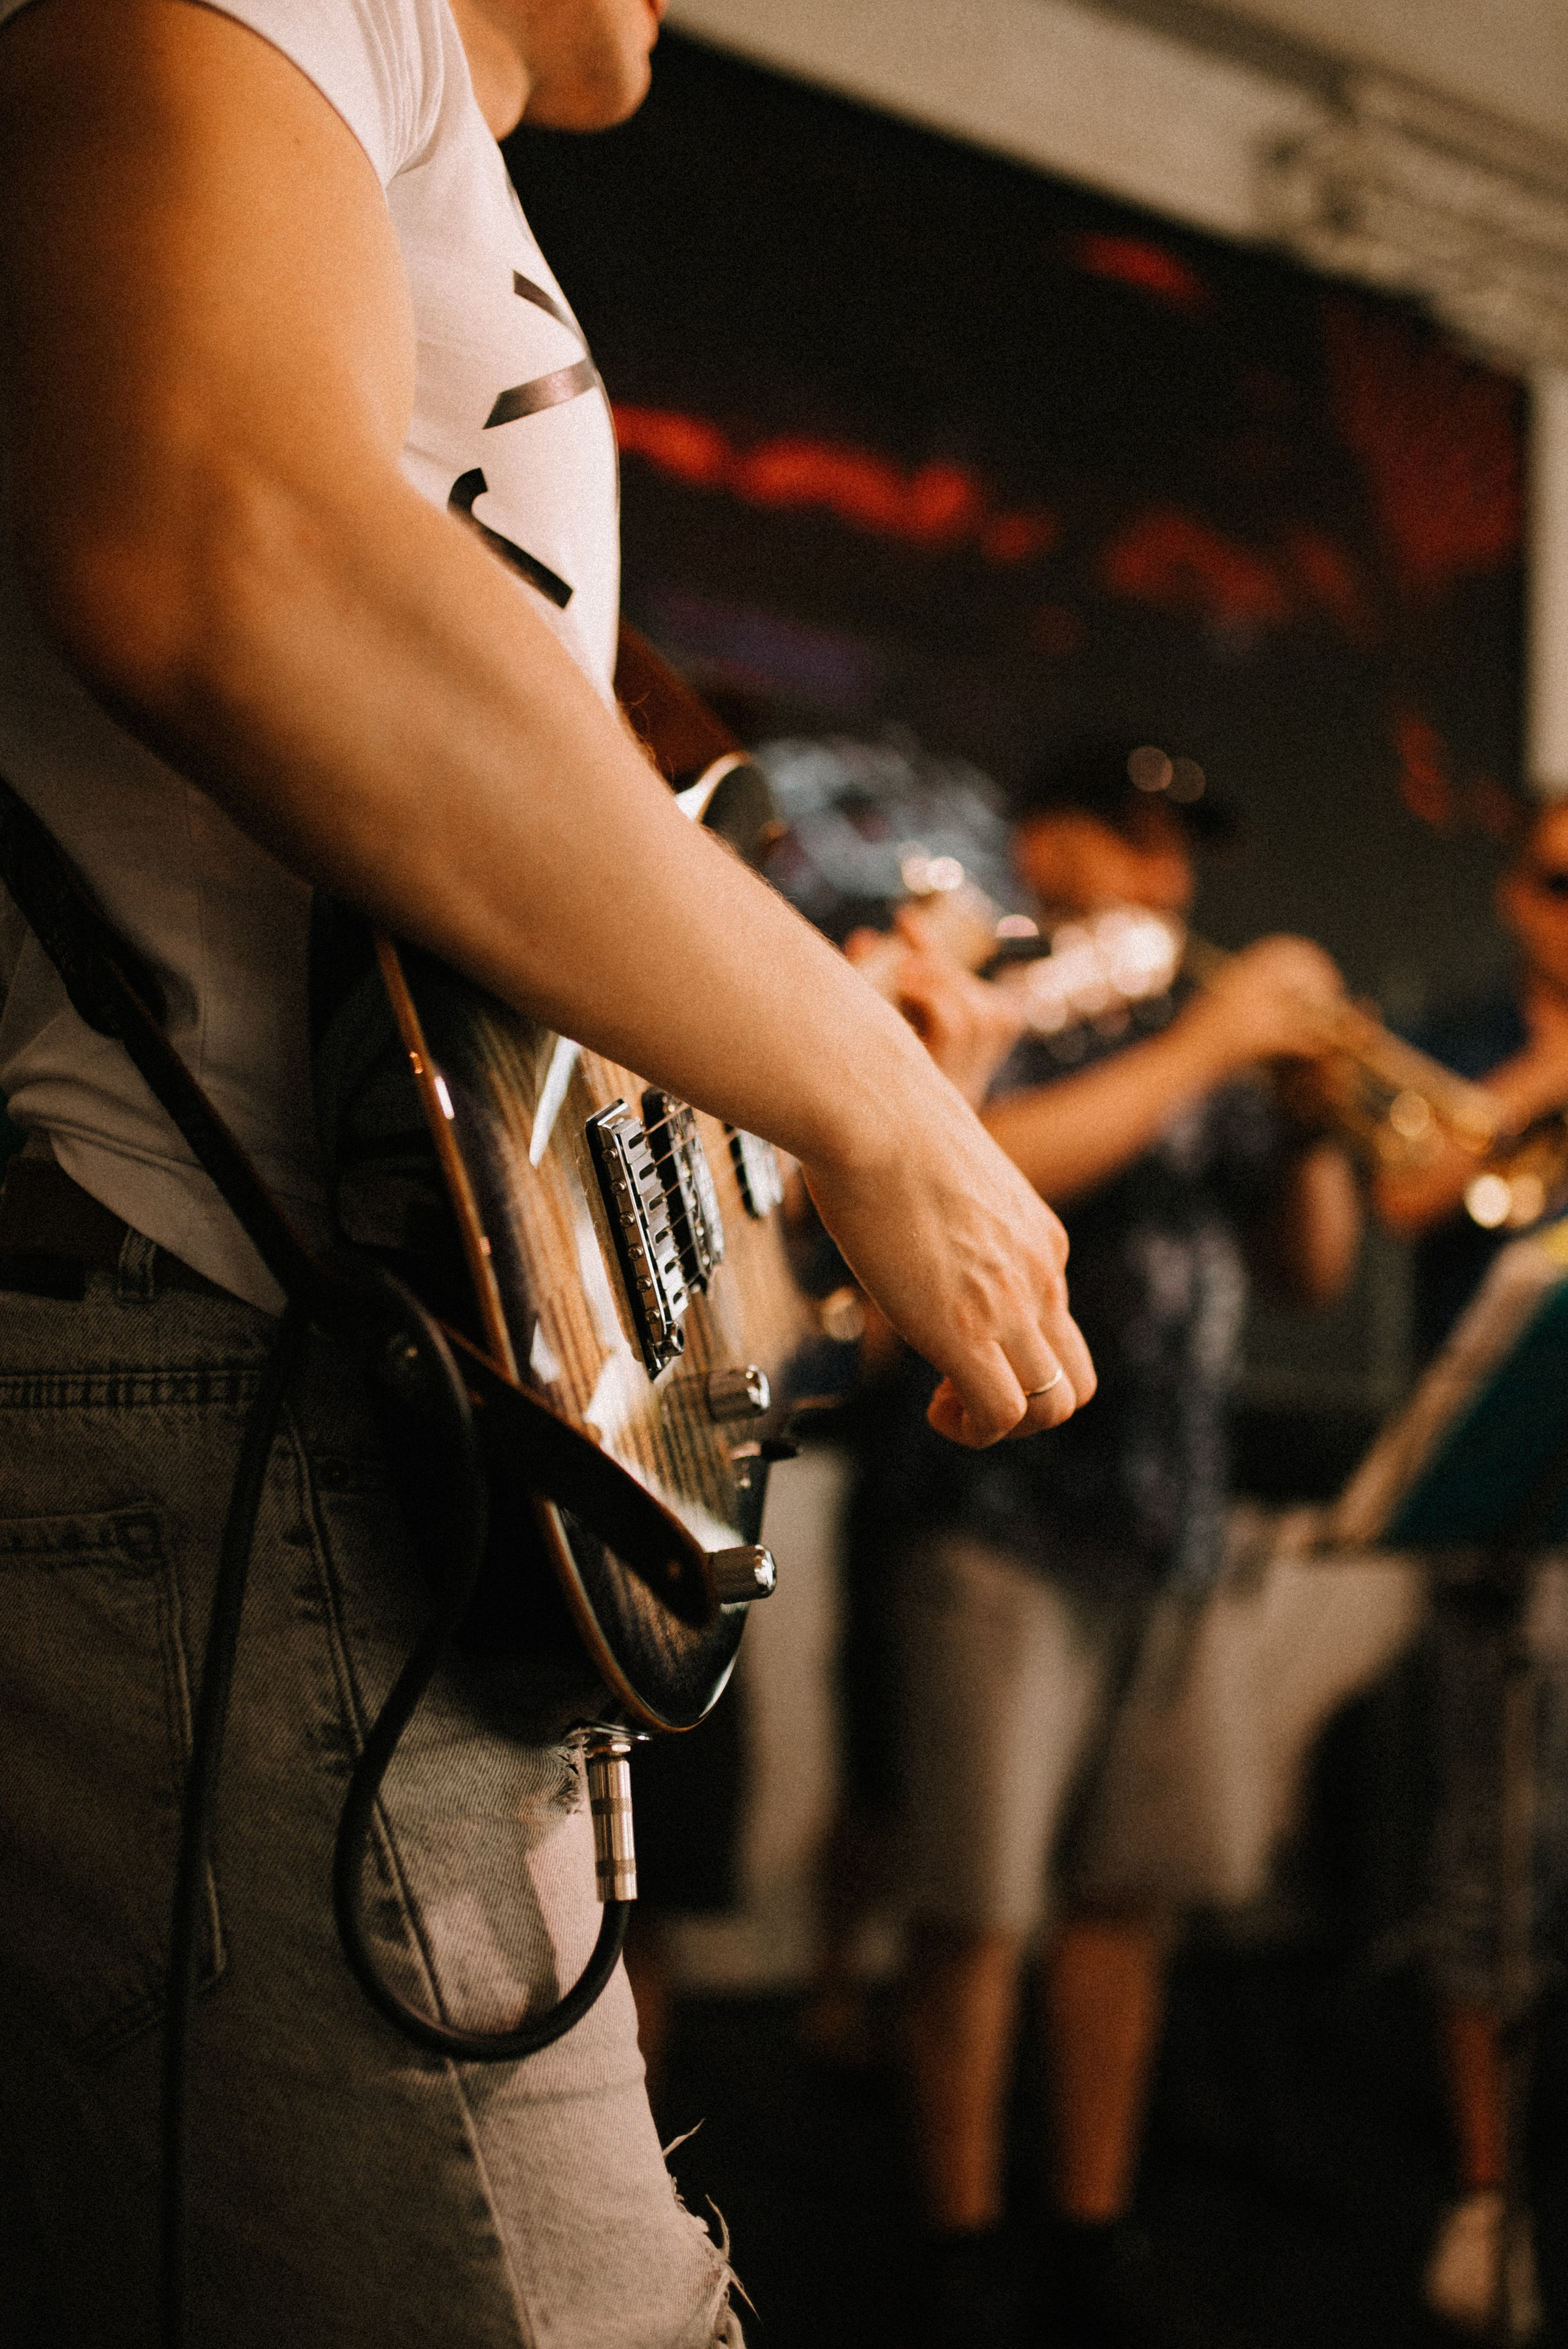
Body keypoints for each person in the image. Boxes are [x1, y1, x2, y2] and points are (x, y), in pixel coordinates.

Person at [0, 6, 1096, 2344]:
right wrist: (874, 1098)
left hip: (332, 1409)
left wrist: (744, 1055)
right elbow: (213, 531)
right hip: (236, 1391)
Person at [846, 742, 1364, 2345]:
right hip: (1002, 1511)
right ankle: (954, 2239)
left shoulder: (1198, 1047)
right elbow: (966, 1171)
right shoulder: (986, 986)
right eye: (1136, 841)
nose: (1170, 879)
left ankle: (1088, 2220)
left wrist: (1316, 1121)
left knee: (1125, 1895)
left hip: (1175, 1519)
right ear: (1047, 843)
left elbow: (1316, 1273)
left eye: (1182, 852)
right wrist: (1214, 1042)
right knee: (977, 1904)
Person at [1373, 798, 1568, 2340]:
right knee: (1485, 1865)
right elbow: (1402, 1193)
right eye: (1561, 882)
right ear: (1513, 893)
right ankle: (1482, 2190)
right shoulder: (1454, 1030)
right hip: (1497, 1527)